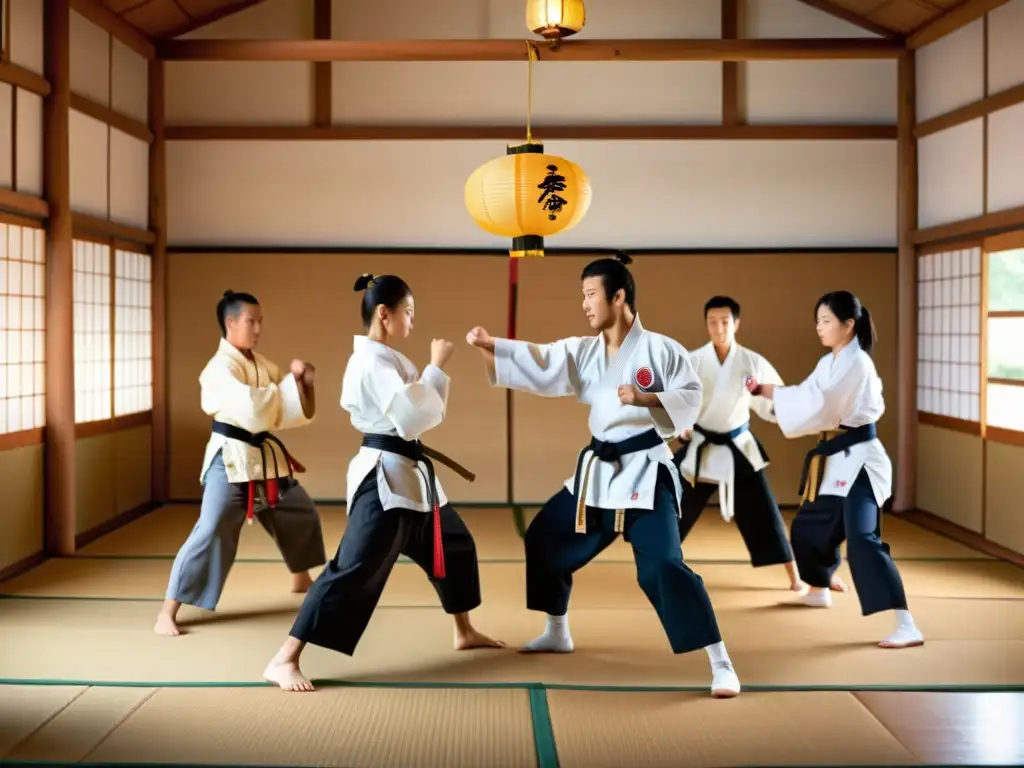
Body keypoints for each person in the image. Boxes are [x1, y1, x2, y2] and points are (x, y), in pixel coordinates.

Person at [467, 253, 741, 698]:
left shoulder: (661, 350)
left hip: (645, 472)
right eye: (583, 296)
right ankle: (557, 630)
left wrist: (647, 397)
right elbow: (543, 359)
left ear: (619, 296)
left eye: (591, 295)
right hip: (597, 474)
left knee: (663, 567)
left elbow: (691, 397)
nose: (585, 305)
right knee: (545, 539)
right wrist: (493, 345)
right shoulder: (585, 350)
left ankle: (720, 660)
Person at [263, 273, 505, 692]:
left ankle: (463, 631)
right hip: (385, 479)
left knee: (455, 545)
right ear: (384, 313)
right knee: (353, 567)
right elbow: (410, 418)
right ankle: (285, 658)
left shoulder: (388, 358)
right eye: (408, 312)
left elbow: (418, 412)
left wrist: (429, 373)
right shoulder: (370, 362)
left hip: (412, 477)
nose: (412, 321)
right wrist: (436, 367)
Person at [745, 290, 924, 649]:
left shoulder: (857, 364)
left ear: (848, 325)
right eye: (817, 321)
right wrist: (766, 390)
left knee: (862, 539)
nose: (819, 328)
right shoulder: (830, 362)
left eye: (826, 321)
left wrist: (773, 394)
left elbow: (822, 404)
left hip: (861, 461)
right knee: (811, 526)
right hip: (837, 459)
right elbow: (807, 392)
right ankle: (819, 587)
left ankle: (906, 623)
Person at [155, 290, 327, 637]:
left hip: (263, 456)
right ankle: (168, 610)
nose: (258, 327)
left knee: (297, 508)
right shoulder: (219, 368)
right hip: (231, 457)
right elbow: (253, 410)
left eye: (260, 320)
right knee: (213, 527)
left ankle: (300, 576)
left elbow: (285, 407)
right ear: (231, 323)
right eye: (252, 320)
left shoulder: (260, 364)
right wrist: (289, 387)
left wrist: (302, 383)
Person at [673, 296, 809, 591]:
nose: (719, 328)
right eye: (712, 322)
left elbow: (773, 401)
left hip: (738, 448)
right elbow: (679, 404)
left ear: (736, 323)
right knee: (671, 509)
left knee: (766, 514)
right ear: (706, 324)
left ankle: (794, 576)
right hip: (701, 446)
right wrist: (681, 428)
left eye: (725, 322)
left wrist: (796, 413)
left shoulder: (752, 362)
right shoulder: (693, 361)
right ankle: (661, 566)